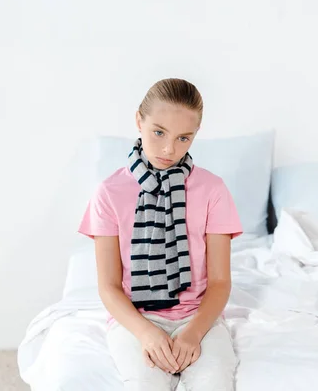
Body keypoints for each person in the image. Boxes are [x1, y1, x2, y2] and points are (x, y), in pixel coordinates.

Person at [78, 78, 243, 391]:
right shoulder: (108, 193)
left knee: (215, 384)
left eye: (184, 138)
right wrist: (146, 334)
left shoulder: (213, 190)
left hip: (198, 319)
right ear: (139, 120)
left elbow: (220, 283)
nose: (170, 149)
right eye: (159, 132)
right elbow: (109, 286)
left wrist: (193, 334)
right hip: (136, 319)